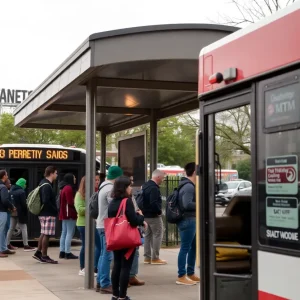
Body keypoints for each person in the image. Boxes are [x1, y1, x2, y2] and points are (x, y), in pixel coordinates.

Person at [108, 176, 146, 300]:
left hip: (116, 238)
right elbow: (133, 221)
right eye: (129, 186)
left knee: (117, 265)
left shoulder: (112, 201)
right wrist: (141, 217)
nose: (131, 188)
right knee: (126, 267)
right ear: (124, 188)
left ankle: (115, 294)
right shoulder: (126, 201)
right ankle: (123, 296)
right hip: (127, 239)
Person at [96, 166, 123, 294]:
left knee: (103, 254)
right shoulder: (109, 189)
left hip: (101, 224)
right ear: (117, 177)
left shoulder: (102, 186)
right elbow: (115, 207)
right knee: (107, 256)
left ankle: (100, 282)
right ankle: (105, 283)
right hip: (107, 226)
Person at [176, 162, 200, 285]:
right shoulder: (189, 186)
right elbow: (187, 204)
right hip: (188, 220)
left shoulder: (186, 185)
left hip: (190, 220)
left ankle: (190, 273)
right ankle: (181, 275)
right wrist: (201, 204)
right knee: (185, 248)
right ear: (195, 172)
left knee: (192, 247)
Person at [75, 176, 101, 276]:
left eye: (98, 180)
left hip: (94, 223)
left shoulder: (97, 193)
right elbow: (80, 210)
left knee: (97, 246)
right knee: (88, 246)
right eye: (94, 180)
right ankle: (83, 268)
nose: (97, 182)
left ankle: (93, 267)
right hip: (83, 224)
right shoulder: (79, 195)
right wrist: (92, 207)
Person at [32, 166, 58, 264]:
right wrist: (55, 210)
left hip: (43, 213)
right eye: (56, 173)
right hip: (48, 213)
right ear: (51, 173)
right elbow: (46, 201)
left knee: (43, 232)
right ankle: (44, 255)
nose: (56, 175)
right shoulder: (47, 185)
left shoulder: (42, 183)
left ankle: (38, 252)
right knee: (47, 234)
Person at [123, 171, 145, 286]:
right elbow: (133, 213)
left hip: (130, 227)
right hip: (128, 228)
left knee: (134, 252)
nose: (132, 184)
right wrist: (140, 216)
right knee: (129, 253)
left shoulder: (129, 197)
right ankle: (127, 277)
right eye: (130, 182)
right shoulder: (125, 199)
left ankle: (131, 275)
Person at [142, 169, 166, 265]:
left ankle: (147, 257)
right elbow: (153, 202)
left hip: (145, 215)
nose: (163, 180)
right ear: (158, 177)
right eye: (163, 178)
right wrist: (159, 211)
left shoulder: (145, 185)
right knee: (158, 234)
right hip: (154, 216)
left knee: (147, 235)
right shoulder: (154, 188)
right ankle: (155, 258)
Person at [6, 178, 36, 251]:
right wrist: (26, 211)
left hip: (12, 212)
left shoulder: (11, 190)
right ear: (22, 184)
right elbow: (23, 204)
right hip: (20, 213)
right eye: (25, 183)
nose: (25, 185)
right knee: (24, 228)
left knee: (11, 228)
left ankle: (7, 244)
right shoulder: (21, 191)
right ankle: (26, 245)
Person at [59, 173, 78, 259]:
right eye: (74, 177)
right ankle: (68, 252)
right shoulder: (69, 188)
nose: (75, 179)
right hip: (69, 213)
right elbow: (70, 202)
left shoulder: (64, 188)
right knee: (69, 233)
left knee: (64, 232)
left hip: (64, 213)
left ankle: (62, 251)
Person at [0, 170, 16, 257]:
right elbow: (5, 200)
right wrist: (12, 207)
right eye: (6, 175)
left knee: (2, 231)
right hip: (2, 211)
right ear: (4, 176)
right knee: (1, 231)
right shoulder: (3, 187)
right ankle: (1, 249)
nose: (7, 176)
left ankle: (3, 248)